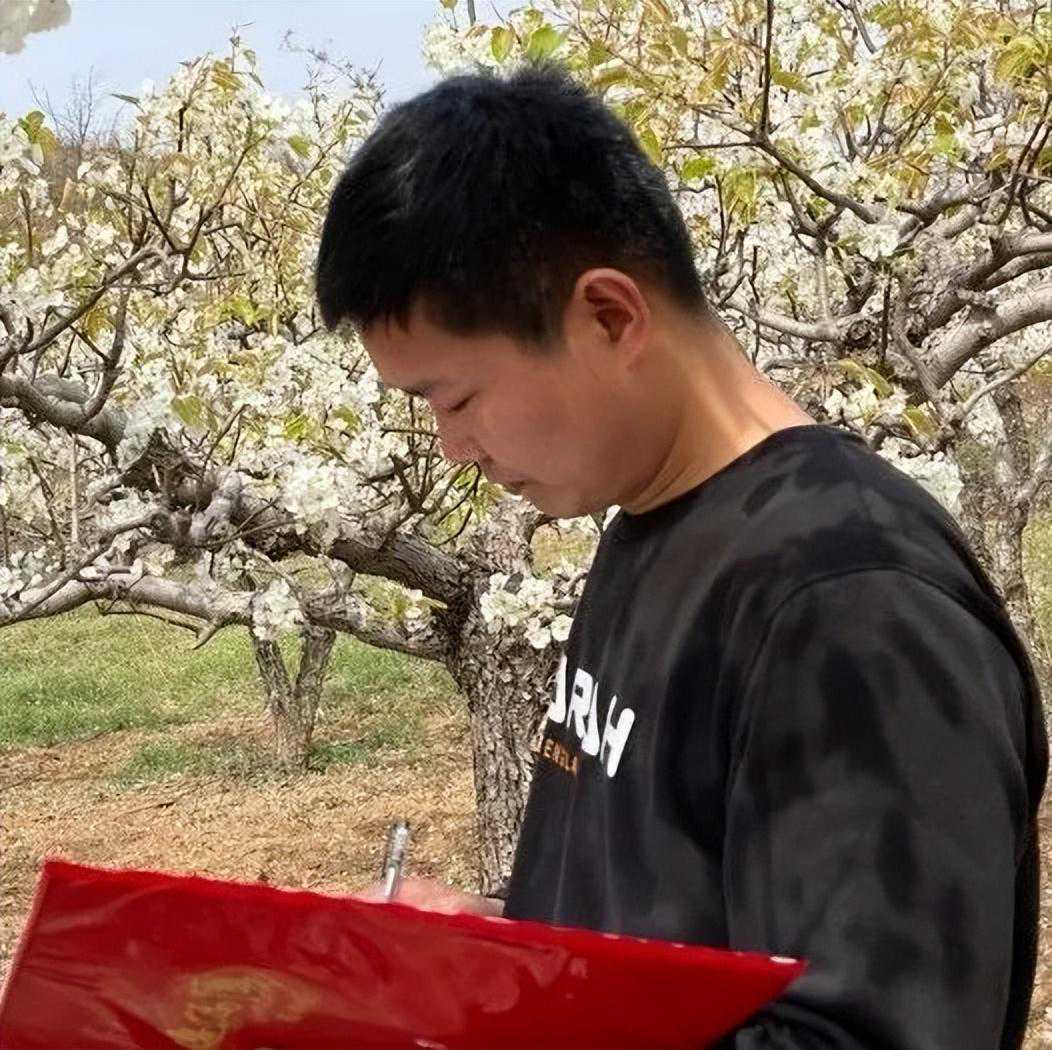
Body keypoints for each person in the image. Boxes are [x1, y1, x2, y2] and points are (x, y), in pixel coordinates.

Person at [315, 63, 1047, 1049]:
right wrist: (483, 958)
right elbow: (655, 930)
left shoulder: (847, 605)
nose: (452, 447)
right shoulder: (650, 526)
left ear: (610, 316)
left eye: (456, 399)